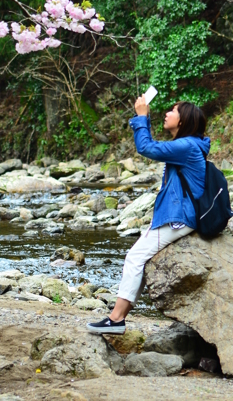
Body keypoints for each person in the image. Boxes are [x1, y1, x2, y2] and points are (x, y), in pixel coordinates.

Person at [86, 92, 209, 335]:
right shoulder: (188, 145)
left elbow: (146, 147)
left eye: (172, 111)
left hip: (179, 218)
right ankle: (117, 317)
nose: (167, 113)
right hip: (180, 215)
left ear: (183, 120)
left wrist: (142, 116)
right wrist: (144, 118)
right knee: (139, 258)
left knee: (134, 257)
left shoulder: (186, 145)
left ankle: (117, 319)